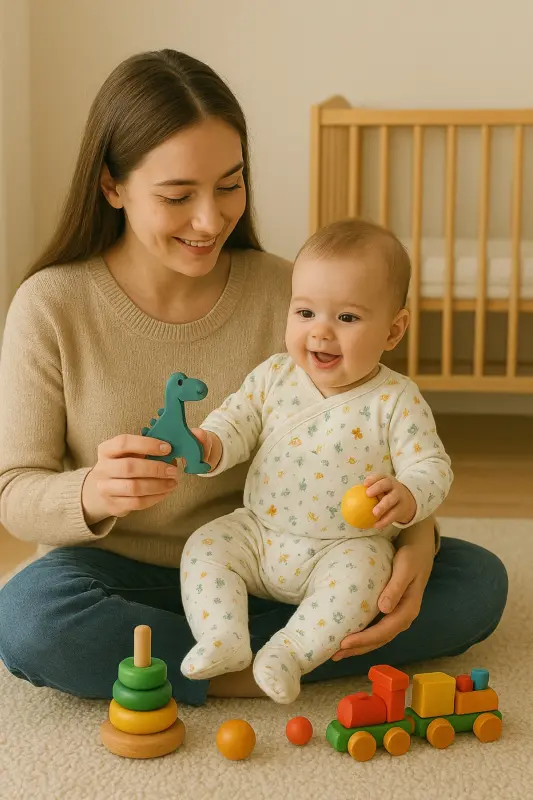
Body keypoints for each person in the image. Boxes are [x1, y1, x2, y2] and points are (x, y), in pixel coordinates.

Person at [0, 49, 507, 707]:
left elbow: (384, 441)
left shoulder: (288, 295)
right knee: (31, 618)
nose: (210, 220)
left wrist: (415, 543)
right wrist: (93, 492)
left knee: (475, 583)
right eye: (179, 195)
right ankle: (269, 660)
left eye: (230, 184)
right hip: (123, 572)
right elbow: (14, 491)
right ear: (112, 185)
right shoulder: (53, 305)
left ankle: (204, 663)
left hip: (289, 555)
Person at [178, 218, 454, 704]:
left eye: (347, 318)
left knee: (366, 576)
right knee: (205, 546)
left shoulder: (394, 399)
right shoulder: (274, 375)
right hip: (260, 533)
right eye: (304, 312)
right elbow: (235, 420)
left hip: (344, 547)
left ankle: (290, 652)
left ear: (393, 330)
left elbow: (432, 465)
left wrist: (409, 495)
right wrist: (210, 445)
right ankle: (223, 637)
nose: (320, 332)